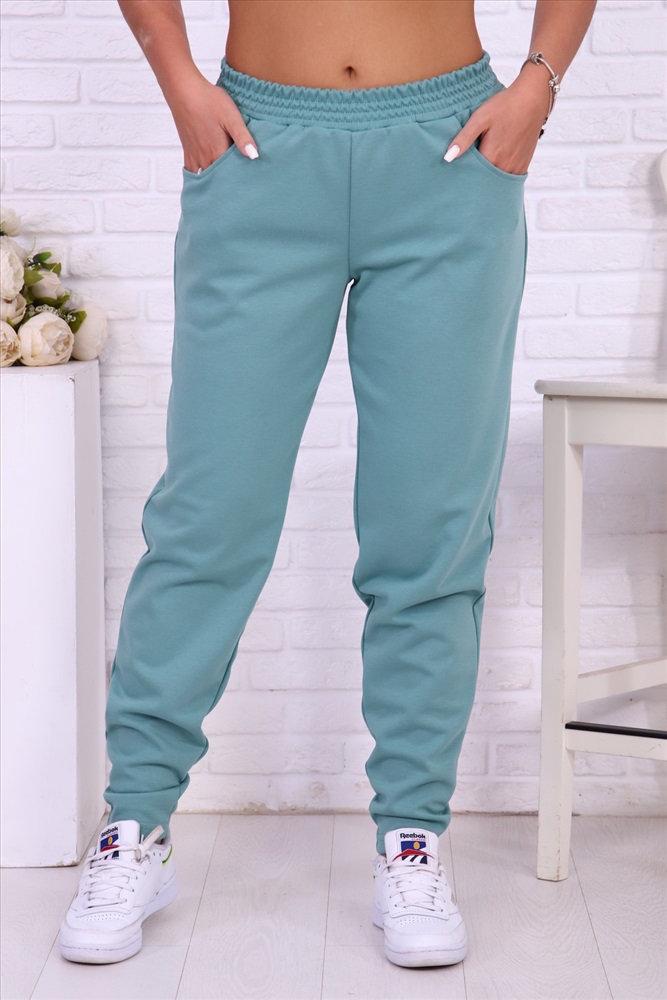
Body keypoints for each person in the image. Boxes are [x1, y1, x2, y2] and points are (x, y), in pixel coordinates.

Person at [59, 0, 597, 970]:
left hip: (449, 157)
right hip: (258, 149)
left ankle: (412, 837)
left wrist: (538, 84)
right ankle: (135, 821)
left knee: (430, 525)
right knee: (209, 516)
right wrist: (178, 82)